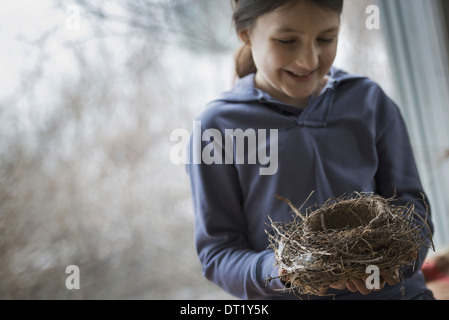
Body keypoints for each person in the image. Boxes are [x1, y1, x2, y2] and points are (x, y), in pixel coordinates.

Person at [186, 0, 434, 300]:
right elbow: (218, 254)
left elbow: (413, 208)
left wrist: (396, 264)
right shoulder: (217, 128)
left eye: (326, 38)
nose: (308, 60)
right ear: (245, 33)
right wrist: (283, 270)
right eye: (286, 41)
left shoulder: (369, 102)